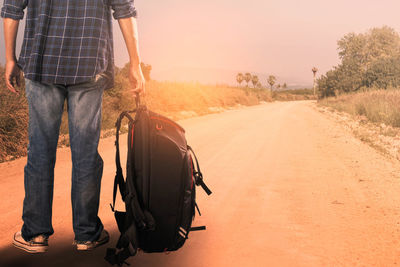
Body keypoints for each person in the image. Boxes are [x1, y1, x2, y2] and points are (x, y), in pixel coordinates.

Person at [1, 0, 145, 253]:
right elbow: (125, 10)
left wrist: (10, 57)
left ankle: (35, 235)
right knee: (86, 154)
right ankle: (87, 234)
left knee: (40, 154)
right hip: (89, 65)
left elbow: (12, 8)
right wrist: (135, 63)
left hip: (41, 62)